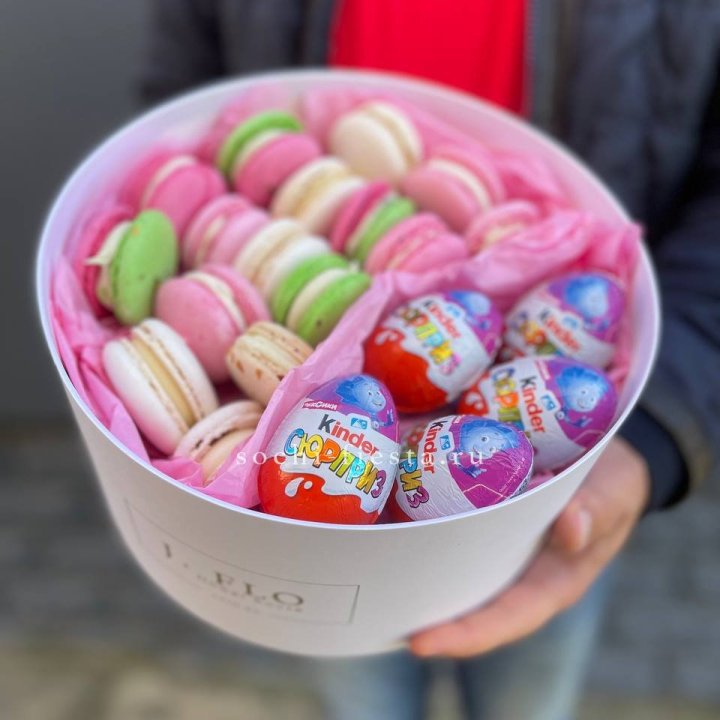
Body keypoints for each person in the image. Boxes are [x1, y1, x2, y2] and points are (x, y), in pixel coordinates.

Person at [141, 2, 720, 718]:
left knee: (528, 697)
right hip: (324, 554)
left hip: (547, 510)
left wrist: (655, 427)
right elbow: (185, 109)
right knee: (362, 694)